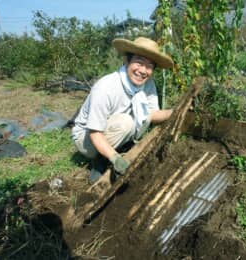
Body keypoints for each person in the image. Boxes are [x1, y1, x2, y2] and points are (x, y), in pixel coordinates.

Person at [71, 37, 174, 183]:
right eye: (139, 62)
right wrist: (116, 159)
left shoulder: (148, 85)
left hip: (113, 129)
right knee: (126, 122)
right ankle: (100, 163)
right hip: (87, 138)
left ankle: (120, 146)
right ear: (127, 61)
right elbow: (95, 132)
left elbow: (152, 114)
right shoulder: (106, 87)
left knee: (134, 120)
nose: (143, 71)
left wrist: (173, 112)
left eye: (149, 66)